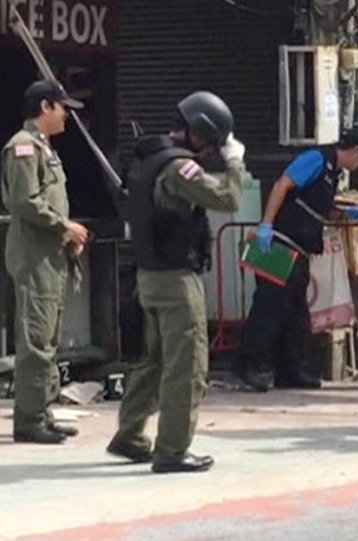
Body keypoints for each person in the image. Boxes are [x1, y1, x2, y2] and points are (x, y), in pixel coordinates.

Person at [106, 91, 247, 473]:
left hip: (149, 277)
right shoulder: (177, 167)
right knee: (187, 365)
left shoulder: (150, 157)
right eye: (212, 142)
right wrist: (235, 164)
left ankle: (130, 434)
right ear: (198, 133)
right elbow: (228, 198)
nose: (212, 150)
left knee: (152, 361)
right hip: (175, 280)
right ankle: (172, 450)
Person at [233, 128, 358, 392]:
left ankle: (290, 370)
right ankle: (248, 365)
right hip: (278, 245)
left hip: (300, 250)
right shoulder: (316, 158)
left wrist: (343, 213)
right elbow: (282, 185)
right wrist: (266, 225)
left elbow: (314, 205)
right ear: (356, 151)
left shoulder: (332, 172)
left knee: (296, 313)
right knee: (269, 308)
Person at [2, 80, 89, 444]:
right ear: (44, 106)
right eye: (61, 107)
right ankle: (29, 421)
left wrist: (66, 239)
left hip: (50, 256)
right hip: (34, 257)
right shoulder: (23, 147)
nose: (66, 114)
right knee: (35, 339)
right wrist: (64, 226)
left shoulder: (45, 149)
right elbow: (25, 201)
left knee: (49, 338)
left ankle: (43, 409)